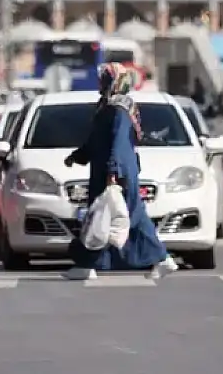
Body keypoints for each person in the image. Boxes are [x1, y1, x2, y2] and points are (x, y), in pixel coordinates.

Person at [61, 63, 174, 281]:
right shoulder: (107, 105)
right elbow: (97, 139)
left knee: (116, 217)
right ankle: (88, 264)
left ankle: (161, 259)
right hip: (107, 169)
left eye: (105, 78)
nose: (101, 82)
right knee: (107, 217)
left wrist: (114, 172)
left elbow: (119, 141)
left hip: (116, 171)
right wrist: (78, 156)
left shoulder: (119, 109)